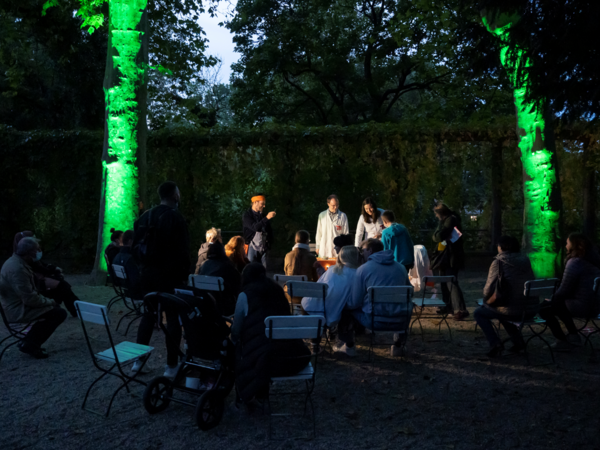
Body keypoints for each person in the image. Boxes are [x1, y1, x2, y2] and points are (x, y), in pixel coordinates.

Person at [131, 181, 191, 377]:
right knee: (173, 318)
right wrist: (183, 276)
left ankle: (138, 362)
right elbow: (183, 252)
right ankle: (171, 366)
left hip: (147, 274)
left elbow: (135, 246)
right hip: (169, 276)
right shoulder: (175, 218)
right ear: (174, 195)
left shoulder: (145, 216)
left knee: (148, 316)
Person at [231, 263, 311, 406]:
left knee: (246, 349)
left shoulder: (245, 295)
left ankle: (246, 394)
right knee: (262, 347)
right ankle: (261, 394)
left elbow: (236, 328)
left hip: (264, 358)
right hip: (291, 353)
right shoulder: (278, 291)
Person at [0, 237, 67, 359]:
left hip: (17, 304)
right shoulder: (18, 269)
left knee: (59, 291)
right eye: (38, 249)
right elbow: (30, 299)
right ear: (30, 252)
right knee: (59, 313)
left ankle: (30, 341)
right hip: (18, 309)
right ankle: (30, 343)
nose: (40, 251)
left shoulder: (16, 262)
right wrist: (51, 302)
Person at [341, 239, 410, 357]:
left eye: (362, 251)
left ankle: (349, 346)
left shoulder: (364, 269)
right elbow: (409, 292)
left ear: (370, 250)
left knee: (346, 309)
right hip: (400, 321)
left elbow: (354, 302)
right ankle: (398, 346)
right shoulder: (401, 268)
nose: (361, 254)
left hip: (374, 321)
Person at [474, 236, 538, 357]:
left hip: (513, 310)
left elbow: (488, 289)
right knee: (505, 309)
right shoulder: (526, 260)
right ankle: (518, 342)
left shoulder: (498, 262)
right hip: (530, 309)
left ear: (502, 247)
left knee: (480, 312)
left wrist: (486, 299)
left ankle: (495, 343)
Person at [539, 233, 600, 351]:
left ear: (574, 245)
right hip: (595, 306)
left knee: (544, 308)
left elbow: (564, 290)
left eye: (567, 243)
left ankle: (563, 340)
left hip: (581, 306)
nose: (566, 245)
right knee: (554, 304)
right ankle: (573, 336)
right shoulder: (593, 261)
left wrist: (552, 299)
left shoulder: (575, 263)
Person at [12, 231, 78, 317]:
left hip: (36, 286)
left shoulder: (22, 259)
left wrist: (53, 270)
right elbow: (35, 276)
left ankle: (74, 309)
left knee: (62, 286)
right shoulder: (22, 263)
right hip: (34, 288)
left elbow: (41, 266)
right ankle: (74, 309)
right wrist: (52, 274)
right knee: (62, 286)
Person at [302, 245, 361, 331]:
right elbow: (353, 303)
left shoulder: (332, 269)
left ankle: (314, 342)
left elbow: (320, 285)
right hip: (329, 315)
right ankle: (346, 340)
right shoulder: (357, 274)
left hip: (308, 306)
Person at [431, 203, 468, 321]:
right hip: (448, 256)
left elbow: (439, 236)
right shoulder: (451, 219)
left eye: (437, 214)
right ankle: (449, 306)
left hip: (450, 256)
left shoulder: (450, 221)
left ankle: (460, 309)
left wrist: (437, 234)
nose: (436, 217)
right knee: (445, 281)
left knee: (451, 281)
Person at [197, 240, 242, 317]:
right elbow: (238, 285)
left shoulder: (203, 266)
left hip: (205, 305)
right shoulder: (227, 266)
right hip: (224, 307)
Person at [284, 230, 318, 307]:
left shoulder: (288, 256)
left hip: (289, 293)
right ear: (307, 241)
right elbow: (316, 279)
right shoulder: (311, 258)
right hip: (306, 294)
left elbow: (286, 274)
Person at [243, 194, 276, 268]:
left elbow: (269, 230)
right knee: (250, 268)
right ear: (255, 202)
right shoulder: (247, 215)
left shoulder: (263, 215)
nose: (264, 206)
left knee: (263, 269)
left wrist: (269, 244)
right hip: (251, 245)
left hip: (263, 247)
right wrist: (267, 218)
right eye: (262, 204)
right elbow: (255, 227)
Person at [315, 195, 349, 259]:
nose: (335, 207)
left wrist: (345, 247)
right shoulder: (322, 215)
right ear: (328, 204)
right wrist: (318, 247)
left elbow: (346, 233)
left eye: (337, 205)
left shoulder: (343, 216)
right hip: (324, 248)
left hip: (338, 249)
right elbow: (319, 232)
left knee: (337, 267)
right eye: (333, 205)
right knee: (324, 266)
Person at [112, 230, 142, 300]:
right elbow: (135, 281)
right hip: (136, 294)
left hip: (126, 292)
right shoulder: (130, 258)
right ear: (130, 241)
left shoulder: (117, 257)